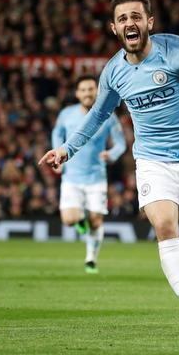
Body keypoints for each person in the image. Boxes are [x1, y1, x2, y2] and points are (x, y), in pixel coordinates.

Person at [39, 0, 179, 333]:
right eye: (123, 18)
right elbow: (98, 115)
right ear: (114, 28)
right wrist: (67, 149)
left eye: (136, 17)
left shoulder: (176, 50)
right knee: (165, 228)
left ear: (149, 22)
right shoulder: (113, 73)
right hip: (153, 161)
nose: (130, 23)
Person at [51, 75, 126, 274]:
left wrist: (112, 154)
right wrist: (57, 155)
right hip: (72, 177)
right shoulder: (66, 114)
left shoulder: (108, 115)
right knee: (69, 220)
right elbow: (57, 134)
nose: (87, 93)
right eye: (83, 90)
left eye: (91, 89)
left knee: (96, 221)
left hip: (96, 177)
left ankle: (90, 259)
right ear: (77, 93)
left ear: (97, 91)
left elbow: (121, 143)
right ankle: (80, 221)